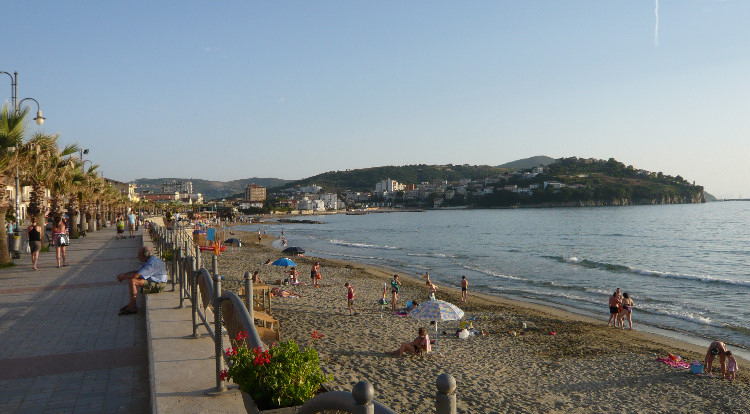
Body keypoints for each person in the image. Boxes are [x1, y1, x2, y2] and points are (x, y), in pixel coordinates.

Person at [116, 246, 168, 315]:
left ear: (145, 255)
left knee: (133, 281)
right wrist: (124, 274)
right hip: (153, 282)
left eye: (139, 255)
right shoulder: (147, 260)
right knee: (132, 279)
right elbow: (137, 271)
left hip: (158, 285)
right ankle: (132, 304)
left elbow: (136, 275)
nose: (138, 257)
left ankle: (133, 306)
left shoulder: (152, 263)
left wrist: (123, 278)